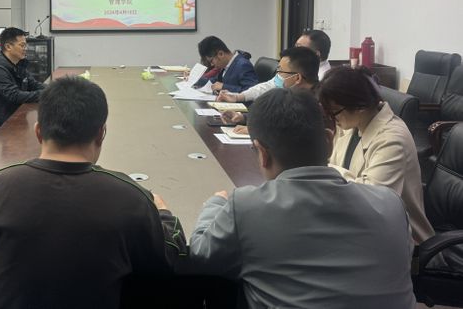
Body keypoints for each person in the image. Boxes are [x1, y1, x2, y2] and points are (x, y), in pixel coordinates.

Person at [0, 77, 186, 309]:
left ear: (38, 132)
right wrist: (164, 215)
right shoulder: (130, 198)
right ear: (101, 133)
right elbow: (168, 265)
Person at [185, 88, 416, 309]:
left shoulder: (246, 207)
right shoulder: (391, 203)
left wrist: (214, 204)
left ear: (262, 153)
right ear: (329, 141)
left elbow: (199, 255)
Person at [319, 65, 434, 244]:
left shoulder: (392, 139)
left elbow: (373, 200)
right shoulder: (351, 123)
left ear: (359, 106)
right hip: (358, 224)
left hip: (399, 240)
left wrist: (326, 171)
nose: (332, 119)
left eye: (334, 112)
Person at [218, 30, 332, 104]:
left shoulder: (324, 83)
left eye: (299, 47)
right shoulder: (290, 70)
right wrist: (239, 97)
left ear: (316, 54)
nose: (295, 50)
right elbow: (268, 86)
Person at [221, 46, 320, 130]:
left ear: (297, 78)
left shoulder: (316, 103)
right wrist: (242, 118)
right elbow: (274, 118)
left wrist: (257, 130)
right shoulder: (292, 94)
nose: (277, 76)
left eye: (280, 71)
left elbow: (290, 130)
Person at [0, 27, 44, 127]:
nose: (25, 48)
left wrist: (54, 90)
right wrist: (45, 94)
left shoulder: (18, 64)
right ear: (8, 47)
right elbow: (15, 96)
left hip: (11, 116)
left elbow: (33, 84)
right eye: (22, 45)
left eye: (25, 45)